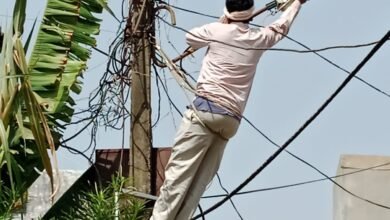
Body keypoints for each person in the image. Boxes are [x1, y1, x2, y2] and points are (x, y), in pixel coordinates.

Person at [151, 0, 306, 219]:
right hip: (230, 121)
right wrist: (296, 4)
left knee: (177, 178)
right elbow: (280, 27)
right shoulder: (257, 39)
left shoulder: (217, 31)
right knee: (197, 187)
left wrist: (222, 23)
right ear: (250, 14)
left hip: (205, 113)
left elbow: (191, 37)